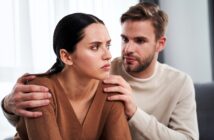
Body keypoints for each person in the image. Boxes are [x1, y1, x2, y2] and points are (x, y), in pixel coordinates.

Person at [1, 2, 199, 140]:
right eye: (123, 39)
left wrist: (134, 113)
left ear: (160, 44)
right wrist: (8, 104)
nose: (127, 49)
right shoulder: (104, 71)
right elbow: (51, 89)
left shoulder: (179, 83)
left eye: (139, 40)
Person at [5, 13, 131, 140]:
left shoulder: (111, 91)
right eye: (94, 47)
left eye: (107, 45)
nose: (108, 55)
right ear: (66, 56)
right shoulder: (40, 90)